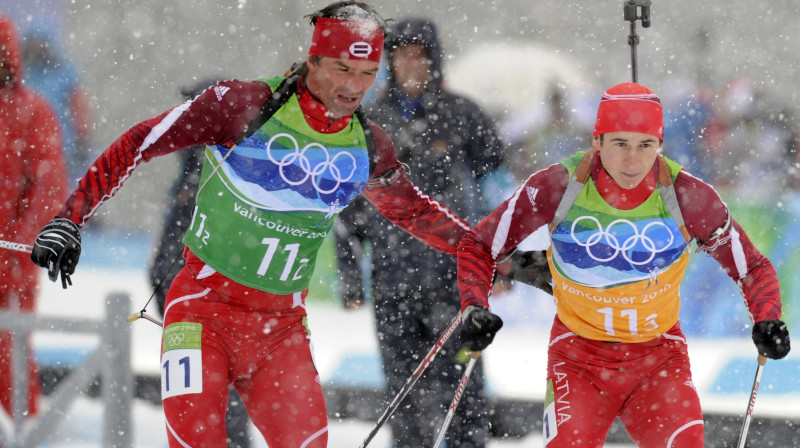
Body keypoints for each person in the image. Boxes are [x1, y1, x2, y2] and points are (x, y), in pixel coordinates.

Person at [27, 2, 540, 446]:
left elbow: (415, 212)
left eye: (366, 74)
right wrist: (70, 219)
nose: (354, 87)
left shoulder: (366, 144)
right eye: (342, 69)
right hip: (201, 314)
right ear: (314, 59)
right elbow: (139, 141)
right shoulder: (244, 106)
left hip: (279, 331)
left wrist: (495, 254)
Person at [456, 82, 791, 447]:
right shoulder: (559, 185)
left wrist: (767, 317)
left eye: (645, 145)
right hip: (578, 358)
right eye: (620, 144)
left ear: (659, 145)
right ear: (597, 141)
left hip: (658, 360)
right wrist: (474, 305)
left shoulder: (687, 197)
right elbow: (479, 244)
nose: (633, 160)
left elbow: (752, 267)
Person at [335, 17, 503, 448]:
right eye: (402, 54)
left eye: (420, 54)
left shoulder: (462, 115)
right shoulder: (367, 122)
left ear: (434, 59)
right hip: (394, 281)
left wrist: (496, 265)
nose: (412, 63)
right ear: (389, 61)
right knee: (403, 391)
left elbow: (497, 194)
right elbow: (346, 210)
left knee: (464, 388)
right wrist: (351, 277)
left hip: (455, 279)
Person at [147, 78, 251, 448]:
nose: (184, 121)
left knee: (211, 415)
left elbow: (173, 263)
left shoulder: (212, 174)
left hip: (207, 320)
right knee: (203, 413)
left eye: (193, 111)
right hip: (199, 317)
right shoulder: (196, 172)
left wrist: (180, 310)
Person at [0, 13, 67, 421]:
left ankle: (19, 432)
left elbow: (46, 192)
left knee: (10, 353)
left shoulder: (32, 112)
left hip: (11, 266)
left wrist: (15, 252)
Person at [20, 16, 93, 186]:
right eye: (33, 42)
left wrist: (82, 139)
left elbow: (79, 106)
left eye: (40, 42)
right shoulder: (26, 73)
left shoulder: (65, 72)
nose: (36, 48)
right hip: (32, 147)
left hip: (63, 144)